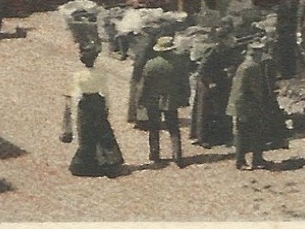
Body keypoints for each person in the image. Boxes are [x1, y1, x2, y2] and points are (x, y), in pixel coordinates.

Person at [62, 45, 124, 178]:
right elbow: (106, 93)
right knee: (102, 131)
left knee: (86, 133)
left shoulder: (78, 75)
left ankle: (87, 164)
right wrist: (107, 107)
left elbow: (76, 93)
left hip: (85, 105)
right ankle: (109, 160)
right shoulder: (101, 74)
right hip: (98, 102)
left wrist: (72, 106)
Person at [228, 39, 285, 170]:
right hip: (248, 105)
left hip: (242, 104)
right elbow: (254, 89)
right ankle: (247, 161)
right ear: (257, 54)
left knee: (246, 133)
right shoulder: (252, 67)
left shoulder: (244, 65)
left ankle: (250, 160)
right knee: (252, 133)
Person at [137, 34, 190, 168]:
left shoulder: (151, 64)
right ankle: (177, 155)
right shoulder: (179, 63)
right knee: (173, 128)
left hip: (153, 99)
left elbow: (144, 85)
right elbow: (185, 83)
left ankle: (155, 154)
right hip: (171, 99)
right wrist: (185, 98)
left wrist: (141, 100)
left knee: (154, 128)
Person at [188, 30, 237, 148]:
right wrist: (210, 82)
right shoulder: (213, 52)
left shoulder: (229, 51)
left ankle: (223, 136)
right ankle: (204, 138)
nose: (233, 41)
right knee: (205, 112)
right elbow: (202, 70)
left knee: (222, 110)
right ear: (223, 40)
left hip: (222, 83)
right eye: (230, 38)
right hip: (208, 84)